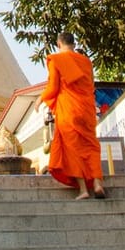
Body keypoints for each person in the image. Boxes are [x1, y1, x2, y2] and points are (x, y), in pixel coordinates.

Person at [34, 32, 105, 200]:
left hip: (69, 109)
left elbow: (53, 87)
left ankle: (83, 190)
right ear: (74, 44)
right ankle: (97, 183)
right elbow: (91, 85)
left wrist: (40, 99)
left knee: (73, 149)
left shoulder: (56, 60)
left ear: (58, 44)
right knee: (91, 146)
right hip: (86, 109)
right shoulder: (86, 61)